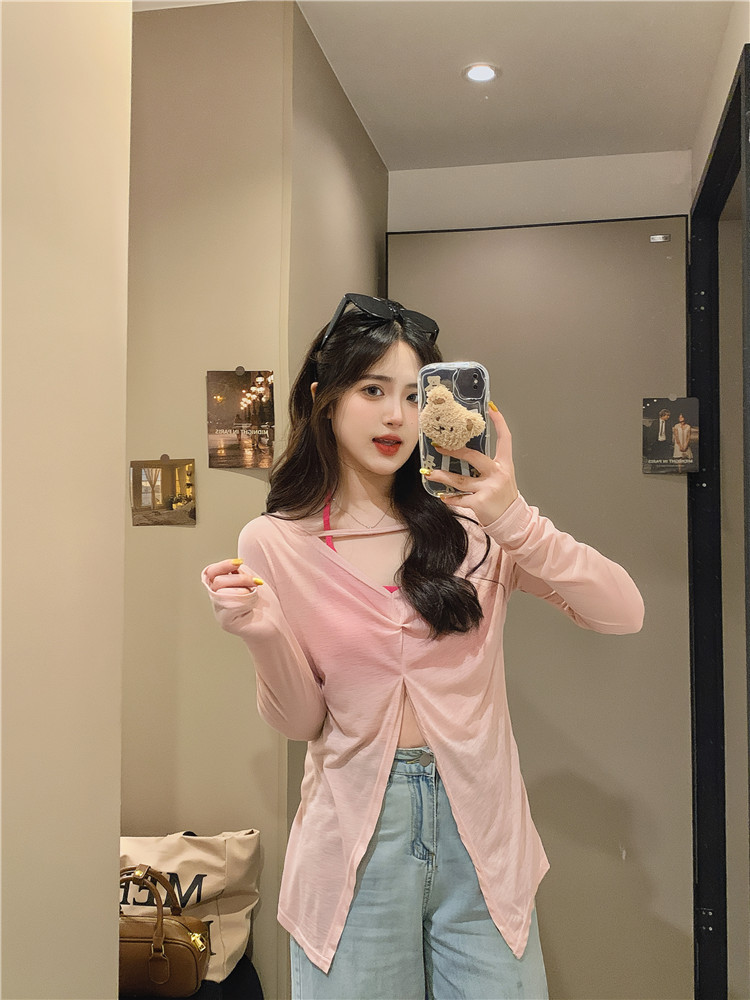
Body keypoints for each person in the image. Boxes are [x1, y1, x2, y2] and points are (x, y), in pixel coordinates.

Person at [202, 293, 645, 1000]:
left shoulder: (475, 528)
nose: (396, 417)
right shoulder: (275, 541)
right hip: (354, 844)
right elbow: (301, 721)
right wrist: (259, 632)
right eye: (372, 390)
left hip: (483, 835)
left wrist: (514, 518)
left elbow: (622, 611)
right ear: (323, 399)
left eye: (416, 396)